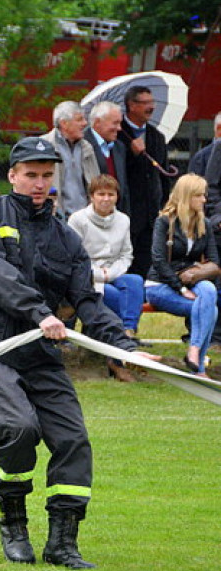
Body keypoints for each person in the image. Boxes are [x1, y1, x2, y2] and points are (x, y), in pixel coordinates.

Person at [0, 137, 147, 570]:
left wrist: (124, 344)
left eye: (46, 176)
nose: (39, 183)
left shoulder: (65, 237)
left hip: (40, 350)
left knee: (73, 438)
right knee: (18, 427)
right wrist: (40, 312)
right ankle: (14, 524)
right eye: (30, 175)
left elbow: (87, 300)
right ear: (13, 175)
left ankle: (62, 544)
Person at [67, 174, 143, 382]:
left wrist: (112, 272)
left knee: (135, 282)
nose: (106, 199)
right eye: (101, 194)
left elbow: (126, 254)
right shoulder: (78, 220)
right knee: (114, 297)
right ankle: (116, 359)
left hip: (114, 271)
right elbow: (74, 257)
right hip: (88, 275)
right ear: (92, 196)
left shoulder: (123, 220)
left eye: (111, 194)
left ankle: (127, 333)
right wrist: (99, 275)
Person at [144, 173, 219, 376]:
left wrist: (191, 278)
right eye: (199, 195)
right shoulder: (164, 222)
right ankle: (199, 367)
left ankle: (193, 353)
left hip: (191, 279)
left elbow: (214, 261)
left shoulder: (205, 224)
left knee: (209, 289)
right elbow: (158, 261)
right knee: (209, 311)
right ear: (187, 196)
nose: (204, 200)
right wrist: (181, 288)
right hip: (160, 284)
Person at [120, 85, 171, 278]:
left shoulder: (156, 136)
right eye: (146, 103)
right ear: (132, 105)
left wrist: (165, 205)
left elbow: (163, 174)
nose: (151, 107)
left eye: (152, 102)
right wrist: (132, 154)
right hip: (129, 212)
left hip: (153, 215)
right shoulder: (119, 134)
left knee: (148, 262)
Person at [39, 100, 99, 219]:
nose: (85, 123)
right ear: (64, 123)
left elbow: (96, 183)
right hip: (55, 217)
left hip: (85, 218)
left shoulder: (87, 147)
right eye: (79, 119)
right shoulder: (44, 146)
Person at [84, 101, 129, 216]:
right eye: (115, 123)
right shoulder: (83, 146)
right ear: (98, 122)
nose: (119, 128)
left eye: (120, 123)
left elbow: (124, 188)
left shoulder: (119, 147)